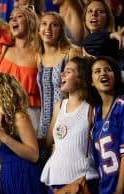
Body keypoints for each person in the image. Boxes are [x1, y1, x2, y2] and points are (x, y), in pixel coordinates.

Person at [0, 1, 41, 130]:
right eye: (10, 18)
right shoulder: (3, 46)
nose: (13, 20)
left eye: (19, 16)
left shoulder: (39, 54)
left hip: (29, 114)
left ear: (30, 21)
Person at [41, 57, 99, 194]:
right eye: (63, 71)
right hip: (54, 182)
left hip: (81, 182)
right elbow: (47, 142)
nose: (62, 74)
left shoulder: (92, 109)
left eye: (68, 71)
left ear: (81, 77)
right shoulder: (59, 106)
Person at [0, 72, 43, 194]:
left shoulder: (18, 116)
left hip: (24, 177)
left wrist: (4, 137)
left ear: (2, 90)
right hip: (6, 178)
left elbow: (34, 155)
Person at [37, 11, 82, 139]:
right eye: (44, 24)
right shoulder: (39, 57)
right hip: (44, 124)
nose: (48, 28)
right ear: (39, 30)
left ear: (61, 31)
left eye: (54, 25)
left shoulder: (71, 53)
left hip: (66, 121)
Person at [87, 56, 124, 194]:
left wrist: (120, 190)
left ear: (115, 76)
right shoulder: (95, 112)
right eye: (97, 71)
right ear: (91, 81)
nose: (103, 73)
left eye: (108, 70)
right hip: (105, 187)